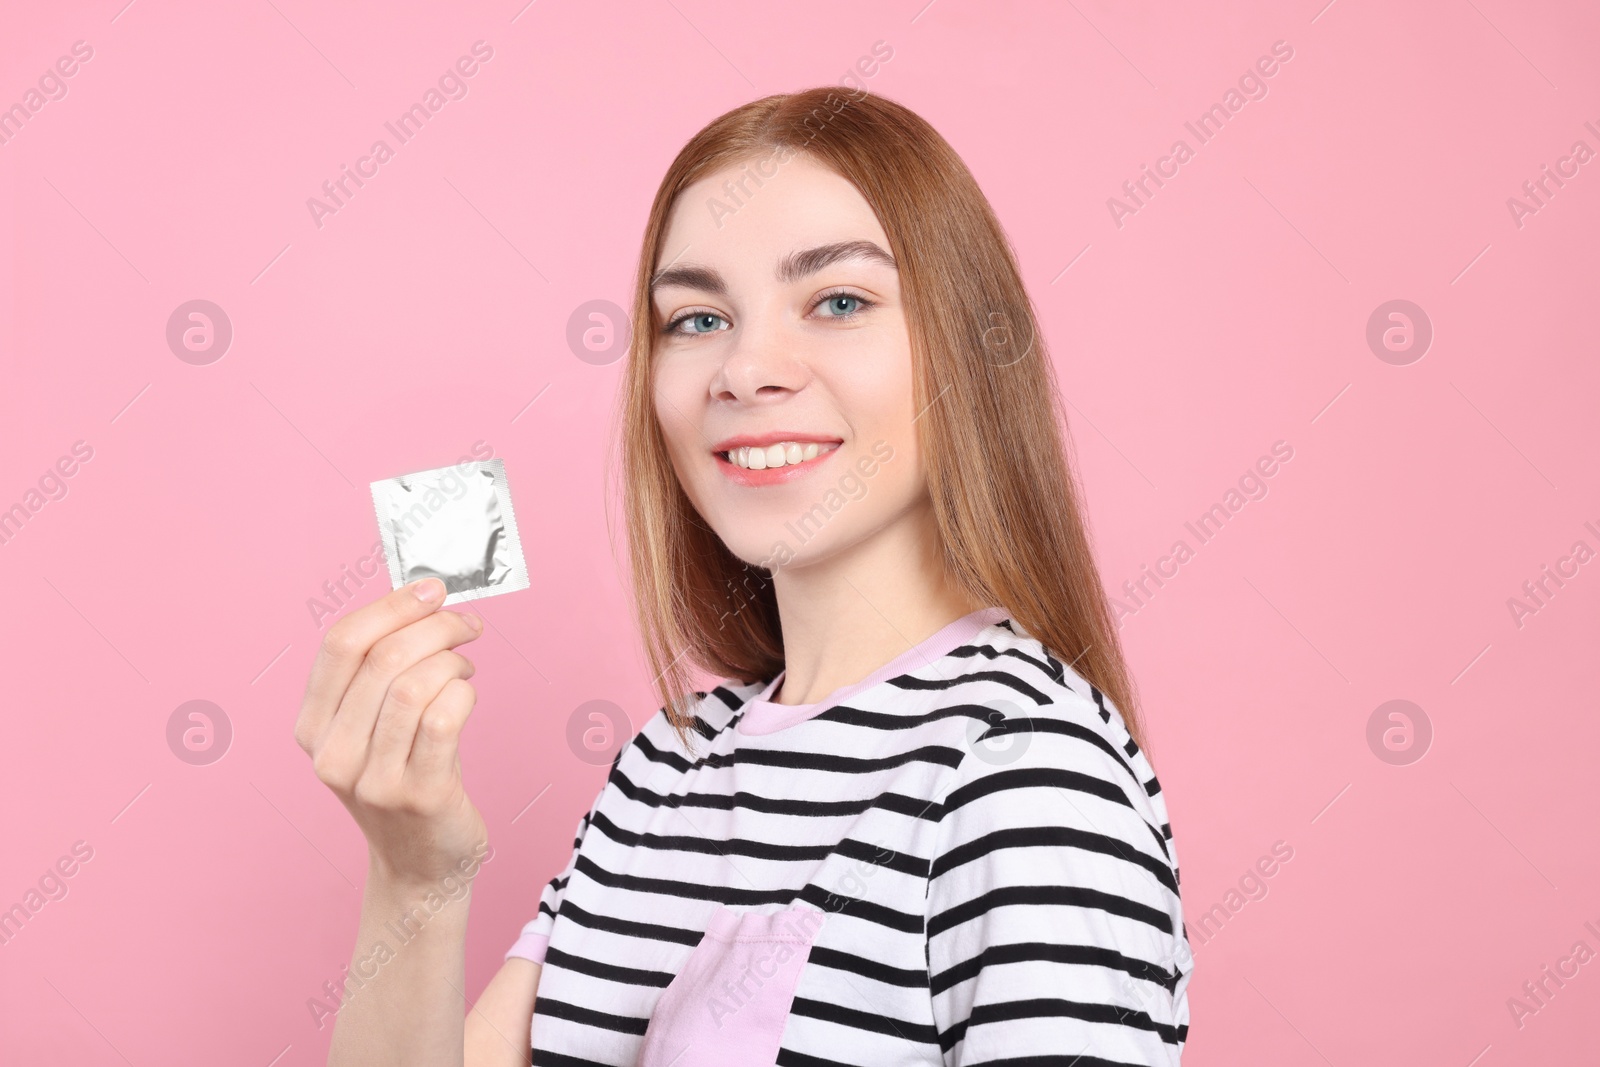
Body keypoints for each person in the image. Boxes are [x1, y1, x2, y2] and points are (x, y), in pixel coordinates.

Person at [295, 85, 1192, 1066]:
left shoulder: (1024, 778)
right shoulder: (663, 769)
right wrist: (414, 873)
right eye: (695, 318)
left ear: (967, 353)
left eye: (839, 300)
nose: (746, 368)